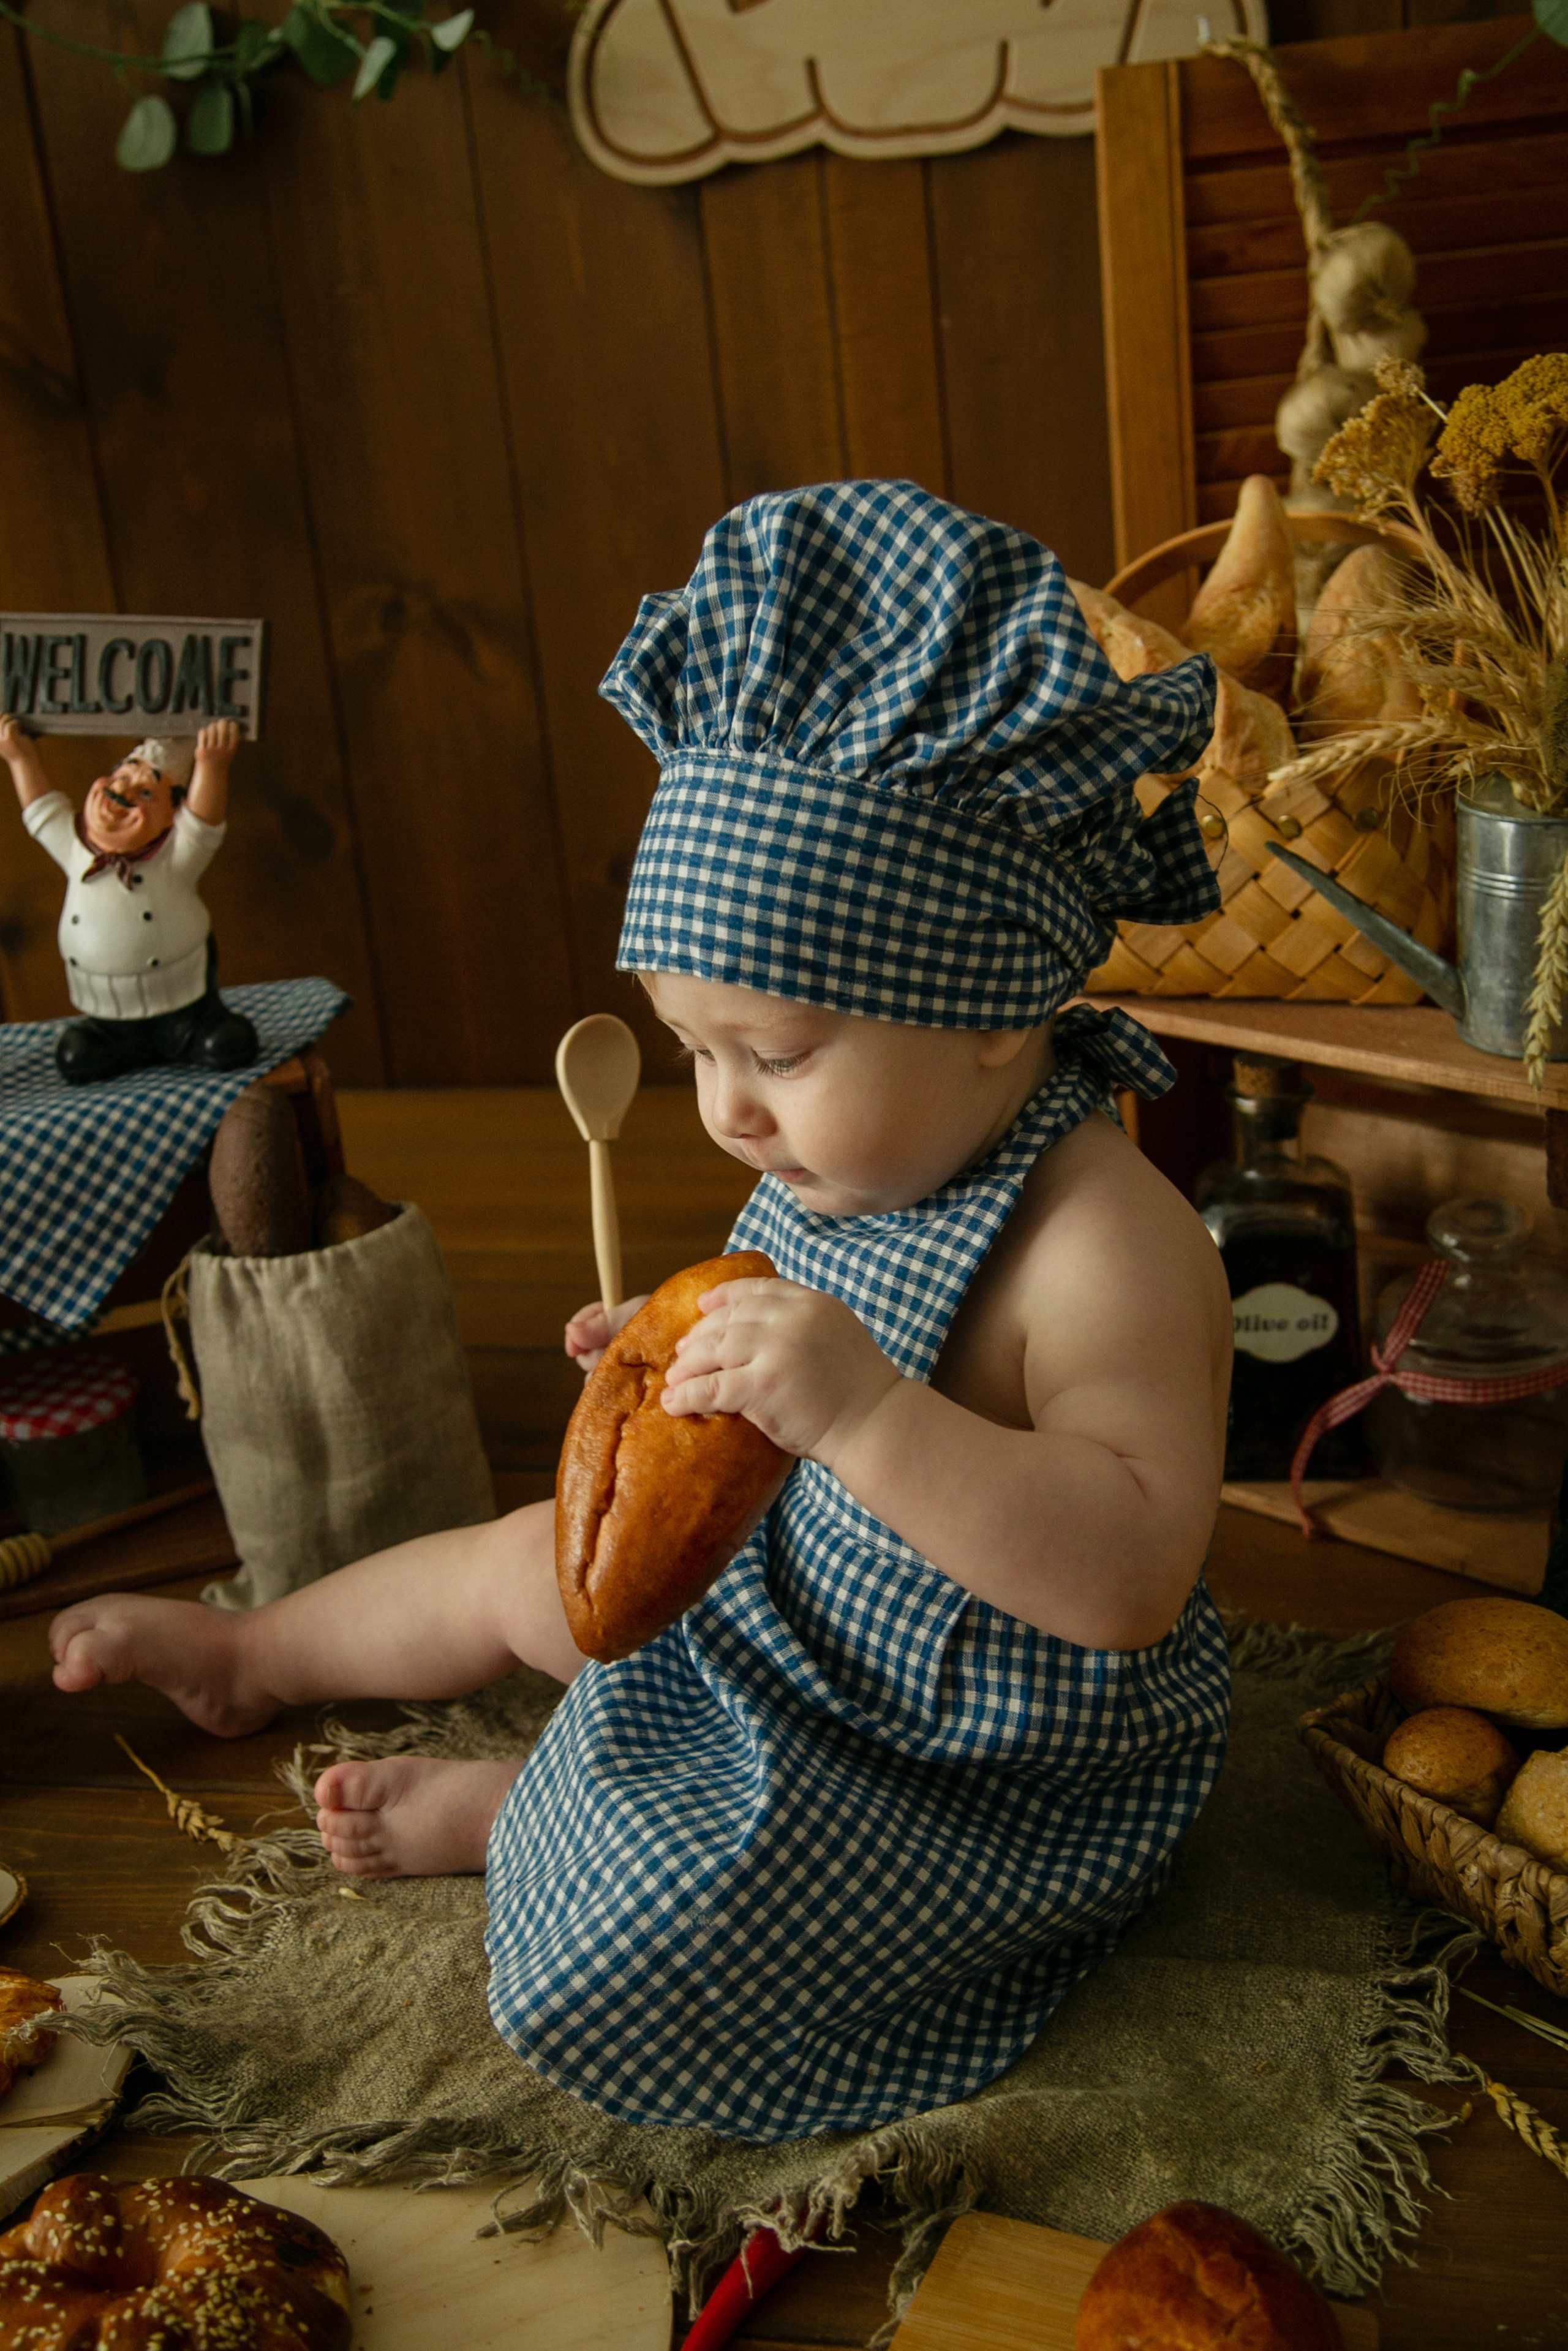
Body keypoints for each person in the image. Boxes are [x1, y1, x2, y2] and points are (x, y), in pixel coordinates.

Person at [48, 481, 1233, 2145]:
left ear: (991, 1004)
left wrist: (866, 1412)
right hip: (787, 1592)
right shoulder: (847, 1156)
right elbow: (766, 1378)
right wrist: (665, 1371)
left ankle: (534, 1804)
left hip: (952, 1741)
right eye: (693, 1050)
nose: (731, 1110)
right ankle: (261, 1645)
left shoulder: (1108, 1242)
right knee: (524, 1550)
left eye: (780, 1051)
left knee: (670, 1922)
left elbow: (1127, 1576)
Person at [0, 715, 257, 1082]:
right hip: (107, 1010)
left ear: (173, 813)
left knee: (226, 1044)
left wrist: (211, 766)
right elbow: (42, 810)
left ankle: (195, 1032)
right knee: (79, 1056)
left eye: (147, 793)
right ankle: (111, 1042)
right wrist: (20, 759)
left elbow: (204, 824)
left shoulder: (175, 858)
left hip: (182, 1001)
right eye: (122, 778)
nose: (123, 793)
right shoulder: (75, 850)